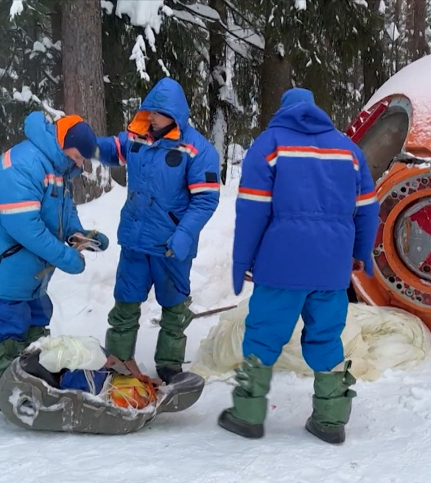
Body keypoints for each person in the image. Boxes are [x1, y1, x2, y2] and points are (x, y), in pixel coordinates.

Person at [218, 88, 380, 444]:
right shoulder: (348, 150)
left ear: (284, 111)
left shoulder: (270, 145)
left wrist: (243, 259)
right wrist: (361, 252)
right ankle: (331, 420)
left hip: (280, 266)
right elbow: (368, 207)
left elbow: (252, 210)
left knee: (263, 334)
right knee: (326, 336)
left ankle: (247, 415)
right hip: (331, 268)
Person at [0, 111, 110, 411]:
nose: (80, 164)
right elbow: (24, 226)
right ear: (64, 144)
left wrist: (80, 235)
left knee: (37, 321)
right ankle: (4, 396)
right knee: (7, 331)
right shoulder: (22, 166)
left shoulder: (57, 168)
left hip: (26, 275)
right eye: (78, 156)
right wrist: (65, 256)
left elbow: (61, 212)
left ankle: (33, 378)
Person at [95, 78, 220, 383]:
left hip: (171, 245)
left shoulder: (198, 149)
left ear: (174, 115)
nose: (150, 116)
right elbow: (112, 149)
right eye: (148, 110)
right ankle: (118, 361)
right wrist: (85, 142)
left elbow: (205, 200)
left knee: (174, 310)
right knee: (125, 304)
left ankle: (169, 365)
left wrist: (183, 235)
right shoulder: (138, 137)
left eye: (157, 112)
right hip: (136, 241)